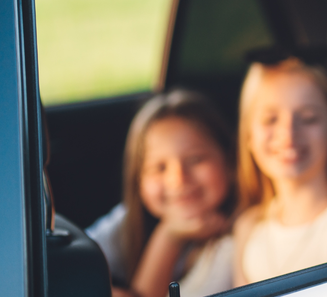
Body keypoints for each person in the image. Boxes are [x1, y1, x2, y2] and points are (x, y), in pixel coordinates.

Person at [233, 47, 327, 285]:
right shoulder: (248, 228)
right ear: (249, 135)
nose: (288, 134)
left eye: (308, 118)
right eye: (270, 119)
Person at [86, 90, 236, 297]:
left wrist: (168, 237)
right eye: (159, 168)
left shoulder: (233, 244)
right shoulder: (129, 220)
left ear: (228, 159)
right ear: (138, 180)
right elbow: (73, 266)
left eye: (195, 160)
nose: (178, 179)